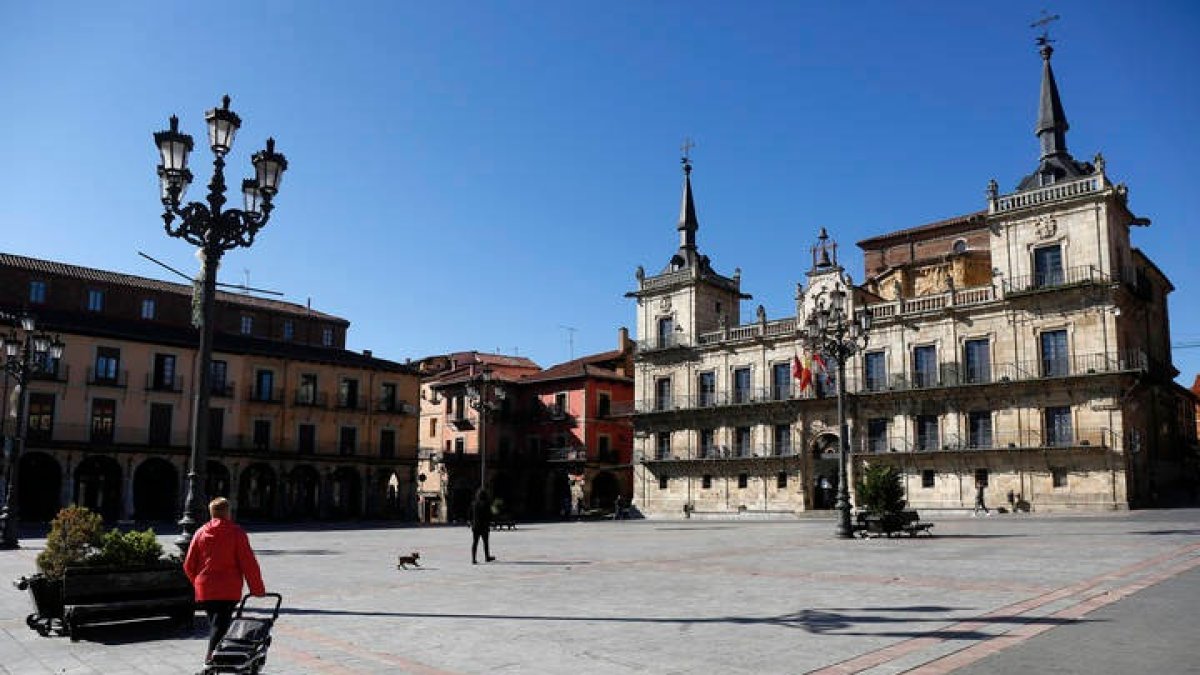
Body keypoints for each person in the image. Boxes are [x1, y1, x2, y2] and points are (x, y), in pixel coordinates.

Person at [184, 497, 266, 668]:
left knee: (216, 623)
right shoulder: (236, 532)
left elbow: (188, 564)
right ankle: (212, 658)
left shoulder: (200, 532)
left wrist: (197, 583)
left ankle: (220, 657)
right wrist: (257, 589)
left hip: (206, 588)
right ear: (228, 512)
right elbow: (248, 563)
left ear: (211, 512)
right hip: (228, 588)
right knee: (220, 624)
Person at [470, 489, 496, 564]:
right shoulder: (487, 504)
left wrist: (471, 522)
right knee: (486, 542)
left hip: (475, 526)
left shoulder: (474, 504)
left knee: (475, 542)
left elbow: (470, 514)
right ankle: (487, 557)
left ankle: (473, 559)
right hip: (484, 526)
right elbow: (490, 515)